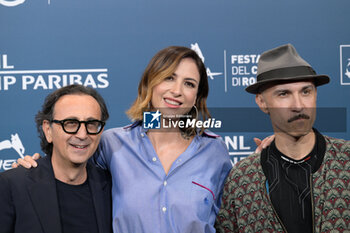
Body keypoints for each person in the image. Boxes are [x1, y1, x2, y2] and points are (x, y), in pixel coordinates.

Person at [14, 46, 233, 233]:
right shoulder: (112, 143)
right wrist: (31, 170)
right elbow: (68, 172)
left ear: (197, 96)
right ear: (150, 84)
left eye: (189, 84)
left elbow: (230, 218)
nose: (177, 91)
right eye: (169, 78)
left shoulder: (215, 151)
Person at [215, 44, 350, 233]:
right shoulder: (242, 179)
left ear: (315, 94)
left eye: (306, 91)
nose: (299, 105)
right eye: (284, 94)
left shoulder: (346, 159)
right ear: (262, 102)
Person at [0, 85, 113, 233]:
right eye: (71, 123)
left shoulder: (112, 186)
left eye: (91, 124)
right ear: (48, 130)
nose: (82, 135)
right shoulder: (12, 186)